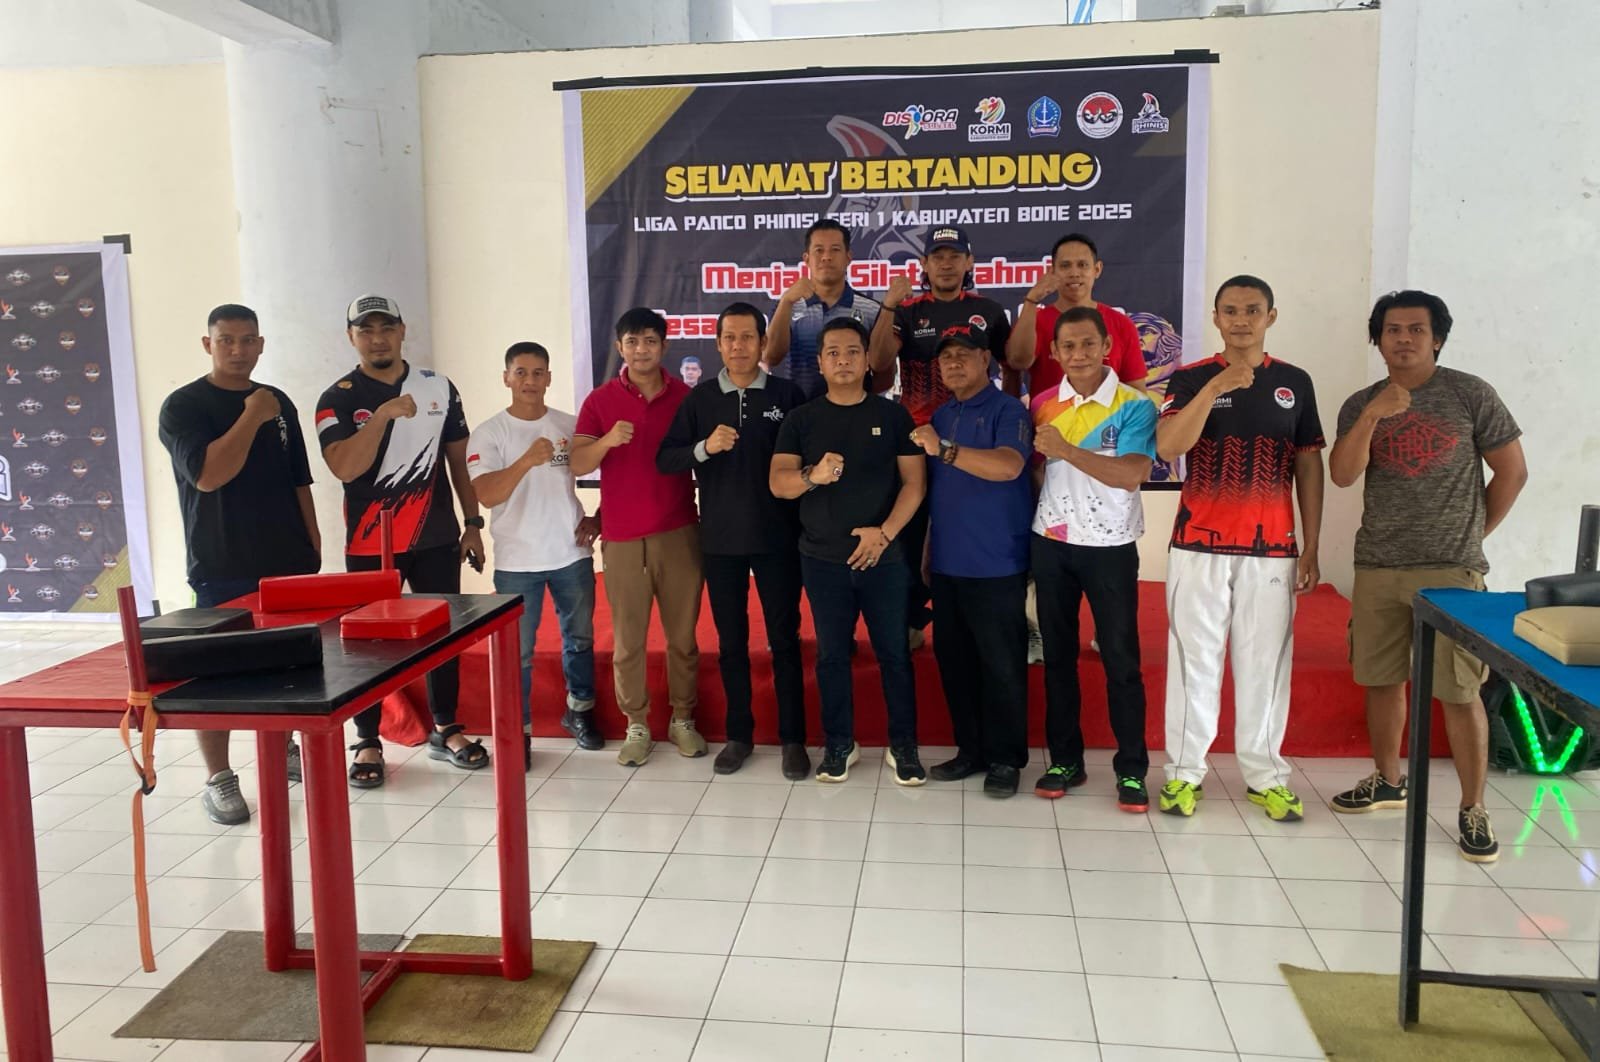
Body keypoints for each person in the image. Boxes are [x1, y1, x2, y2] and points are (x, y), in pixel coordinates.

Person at [1327, 290, 1526, 863]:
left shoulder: (1470, 393)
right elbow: (1342, 474)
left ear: (1437, 338)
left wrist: (1470, 537)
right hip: (1378, 563)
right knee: (1381, 679)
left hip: (1450, 569)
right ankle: (1388, 780)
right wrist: (1374, 414)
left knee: (1459, 690)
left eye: (1417, 329)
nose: (1404, 338)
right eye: (1392, 329)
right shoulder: (1361, 402)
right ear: (1378, 340)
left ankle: (1473, 807)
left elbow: (1512, 471)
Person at [1154, 276, 1325, 822]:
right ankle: (1184, 774)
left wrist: (1311, 544)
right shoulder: (1189, 378)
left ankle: (1266, 776)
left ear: (1270, 316)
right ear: (1216, 317)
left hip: (1271, 549)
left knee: (1265, 666)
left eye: (1253, 310)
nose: (1241, 320)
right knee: (1194, 663)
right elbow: (1169, 446)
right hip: (1197, 546)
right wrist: (1216, 387)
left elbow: (1308, 465)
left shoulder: (1294, 382)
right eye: (1230, 311)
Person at [316, 295, 487, 788]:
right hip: (371, 542)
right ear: (351, 337)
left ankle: (446, 728)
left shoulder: (439, 387)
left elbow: (459, 460)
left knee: (444, 635)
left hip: (436, 534)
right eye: (366, 330)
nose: (378, 339)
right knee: (367, 644)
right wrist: (383, 415)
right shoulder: (337, 397)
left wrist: (473, 523)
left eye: (386, 328)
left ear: (402, 330)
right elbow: (344, 467)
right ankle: (367, 737)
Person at [158, 303, 319, 824]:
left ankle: (282, 743)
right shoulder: (184, 406)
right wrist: (251, 415)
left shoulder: (279, 401)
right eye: (226, 340)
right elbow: (209, 476)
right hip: (221, 560)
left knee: (289, 665)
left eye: (247, 340)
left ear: (261, 344)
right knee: (217, 674)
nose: (237, 350)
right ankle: (219, 778)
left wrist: (313, 542)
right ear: (208, 345)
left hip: (287, 558)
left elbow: (299, 477)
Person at [771, 317, 926, 785]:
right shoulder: (801, 419)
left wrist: (885, 534)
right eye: (833, 353)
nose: (843, 360)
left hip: (884, 558)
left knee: (894, 653)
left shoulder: (893, 416)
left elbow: (914, 485)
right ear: (820, 363)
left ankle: (904, 746)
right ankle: (840, 744)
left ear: (867, 361)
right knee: (832, 656)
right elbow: (779, 484)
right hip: (822, 560)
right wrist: (812, 477)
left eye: (853, 352)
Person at [658, 302, 809, 779]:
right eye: (730, 338)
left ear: (763, 343)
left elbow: (808, 459)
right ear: (718, 344)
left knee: (784, 640)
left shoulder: (788, 394)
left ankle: (793, 739)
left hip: (778, 537)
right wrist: (705, 447)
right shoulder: (700, 399)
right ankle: (739, 735)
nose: (739, 346)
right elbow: (667, 459)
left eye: (748, 337)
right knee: (731, 642)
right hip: (721, 539)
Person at [1027, 307, 1156, 811]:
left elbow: (1131, 474)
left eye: (1088, 344)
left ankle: (1132, 769)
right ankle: (1065, 761)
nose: (1078, 354)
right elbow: (1036, 472)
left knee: (1121, 661)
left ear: (1107, 347)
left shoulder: (1134, 405)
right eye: (1068, 346)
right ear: (1054, 352)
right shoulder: (1042, 403)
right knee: (1057, 659)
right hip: (1051, 543)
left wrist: (1067, 450)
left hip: (1110, 547)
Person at [869, 226, 1021, 648]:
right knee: (910, 531)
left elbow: (1011, 367)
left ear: (969, 262)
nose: (947, 263)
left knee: (972, 525)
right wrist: (887, 305)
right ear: (924, 264)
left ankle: (991, 619)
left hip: (976, 434)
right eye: (938, 256)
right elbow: (878, 362)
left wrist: (1008, 414)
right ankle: (912, 619)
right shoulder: (907, 310)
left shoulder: (989, 310)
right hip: (918, 437)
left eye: (955, 255)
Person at [572, 307, 704, 767]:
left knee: (683, 637)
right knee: (629, 640)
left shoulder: (686, 397)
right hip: (624, 537)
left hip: (679, 531)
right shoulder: (600, 401)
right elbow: (577, 463)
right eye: (632, 342)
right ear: (619, 347)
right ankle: (637, 723)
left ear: (664, 346)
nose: (641, 349)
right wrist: (606, 441)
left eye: (650, 340)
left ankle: (683, 718)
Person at [466, 342, 603, 768]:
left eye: (538, 372)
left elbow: (611, 469)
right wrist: (526, 459)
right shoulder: (489, 433)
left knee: (580, 639)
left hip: (571, 553)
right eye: (521, 372)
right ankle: (518, 732)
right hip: (517, 562)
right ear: (506, 378)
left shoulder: (569, 425)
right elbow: (487, 494)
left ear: (549, 378)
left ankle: (579, 711)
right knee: (518, 654)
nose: (530, 381)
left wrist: (600, 517)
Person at [910, 324, 1032, 797]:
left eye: (965, 354)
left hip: (997, 562)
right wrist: (928, 547)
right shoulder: (942, 415)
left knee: (1001, 666)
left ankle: (1006, 759)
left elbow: (1008, 466)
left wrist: (944, 449)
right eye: (946, 358)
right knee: (956, 663)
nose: (954, 363)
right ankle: (971, 750)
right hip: (947, 563)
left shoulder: (1008, 410)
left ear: (987, 360)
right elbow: (937, 490)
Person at [1006, 233, 1148, 398]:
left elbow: (1137, 393)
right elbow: (1017, 362)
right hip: (1048, 414)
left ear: (1097, 269)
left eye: (1082, 265)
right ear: (1052, 271)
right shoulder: (1035, 321)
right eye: (1065, 266)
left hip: (1111, 415)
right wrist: (1031, 300)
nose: (1074, 273)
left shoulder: (1121, 323)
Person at [765, 219, 882, 400]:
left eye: (835, 250)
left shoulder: (871, 309)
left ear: (848, 257)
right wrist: (786, 301)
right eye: (819, 250)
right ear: (806, 259)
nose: (826, 257)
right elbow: (771, 357)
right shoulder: (788, 306)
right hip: (800, 409)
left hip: (854, 409)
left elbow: (882, 371)